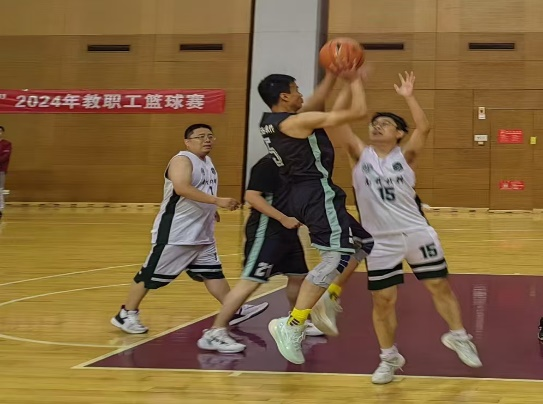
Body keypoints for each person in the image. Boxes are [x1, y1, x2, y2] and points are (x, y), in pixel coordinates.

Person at [327, 71, 482, 384]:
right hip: (379, 241)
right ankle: (389, 358)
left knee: (439, 285)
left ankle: (458, 336)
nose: (376, 126)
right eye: (374, 123)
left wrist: (409, 96)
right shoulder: (359, 154)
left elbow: (424, 127)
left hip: (416, 233)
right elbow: (335, 122)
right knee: (383, 301)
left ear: (398, 133)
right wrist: (351, 84)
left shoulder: (406, 155)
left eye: (384, 123)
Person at [257, 67, 370, 364]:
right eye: (296, 89)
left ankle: (327, 298)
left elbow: (317, 104)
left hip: (300, 192)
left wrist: (333, 75)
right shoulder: (297, 122)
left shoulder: (271, 121)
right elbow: (358, 112)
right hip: (316, 193)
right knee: (336, 257)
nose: (302, 94)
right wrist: (355, 81)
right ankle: (293, 323)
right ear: (284, 96)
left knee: (362, 242)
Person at [111, 124, 268, 334]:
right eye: (200, 136)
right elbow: (182, 188)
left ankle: (234, 309)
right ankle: (126, 314)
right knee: (150, 274)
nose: (207, 140)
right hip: (177, 232)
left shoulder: (207, 161)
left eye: (210, 136)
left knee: (212, 273)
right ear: (187, 141)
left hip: (201, 232)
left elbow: (201, 190)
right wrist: (217, 201)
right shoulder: (182, 160)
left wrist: (211, 210)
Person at [197, 154, 325, 353]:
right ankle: (215, 332)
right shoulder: (269, 163)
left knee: (298, 277)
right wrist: (283, 218)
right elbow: (251, 196)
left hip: (288, 232)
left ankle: (296, 322)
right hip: (266, 232)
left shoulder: (299, 163)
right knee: (251, 281)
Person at [0, 126, 12, 221]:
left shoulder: (7, 144)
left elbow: (5, 157)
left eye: (0, 131)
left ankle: (0, 209)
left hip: (1, 170)